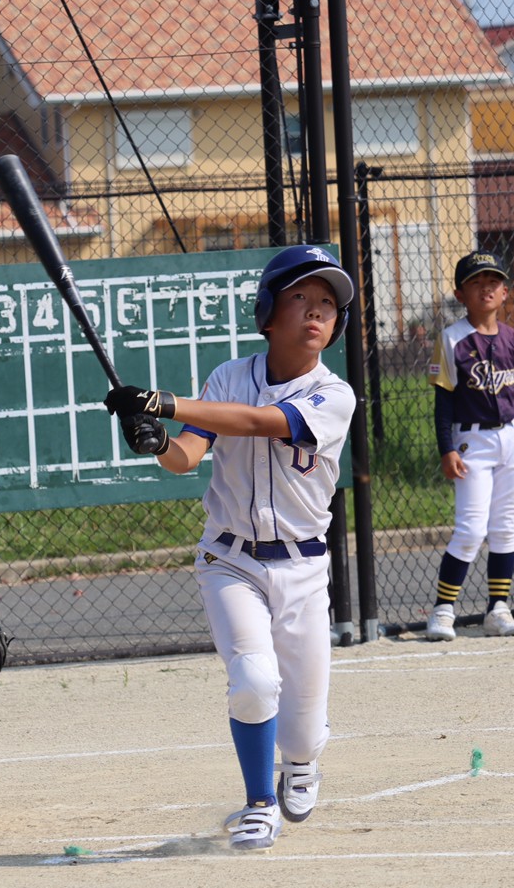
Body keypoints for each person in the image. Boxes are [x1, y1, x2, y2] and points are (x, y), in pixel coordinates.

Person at [102, 245, 355, 852]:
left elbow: (260, 422)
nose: (315, 311)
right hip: (230, 560)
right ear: (268, 312)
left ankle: (300, 763)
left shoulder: (335, 394)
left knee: (302, 734)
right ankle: (259, 804)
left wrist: (162, 401)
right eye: (301, 298)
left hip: (302, 567)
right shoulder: (228, 376)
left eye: (327, 303)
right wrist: (154, 439)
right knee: (253, 682)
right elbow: (186, 456)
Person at [423, 251, 514, 642]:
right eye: (476, 283)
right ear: (461, 294)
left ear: (505, 292)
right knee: (471, 529)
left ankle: (498, 609)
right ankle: (443, 611)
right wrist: (446, 448)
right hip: (471, 440)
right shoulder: (451, 338)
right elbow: (443, 400)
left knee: (505, 527)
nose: (486, 288)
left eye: (493, 282)